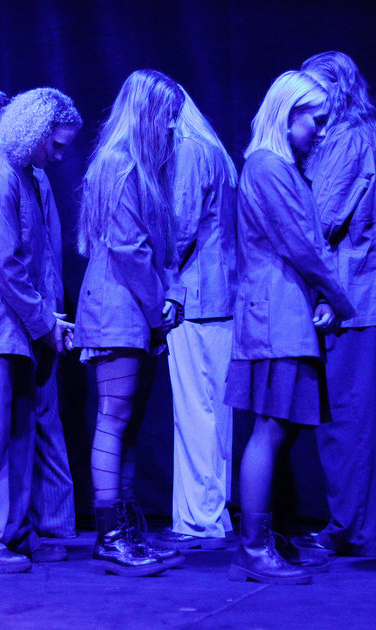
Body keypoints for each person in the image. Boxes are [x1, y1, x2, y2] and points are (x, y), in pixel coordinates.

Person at [225, 70, 354, 585]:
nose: (321, 132)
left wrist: (321, 297)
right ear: (287, 113)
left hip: (286, 311)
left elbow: (305, 242)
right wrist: (339, 299)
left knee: (284, 427)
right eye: (315, 121)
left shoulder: (281, 167)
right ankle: (253, 547)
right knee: (271, 427)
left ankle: (269, 537)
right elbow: (299, 243)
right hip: (273, 315)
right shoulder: (267, 165)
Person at [0, 87, 80, 573]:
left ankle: (15, 532)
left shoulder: (26, 174)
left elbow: (38, 260)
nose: (61, 154)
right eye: (57, 143)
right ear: (35, 131)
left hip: (17, 328)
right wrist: (46, 323)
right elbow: (6, 264)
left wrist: (47, 321)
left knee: (21, 436)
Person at [75, 69, 186, 576]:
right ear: (145, 113)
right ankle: (110, 535)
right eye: (167, 116)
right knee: (114, 418)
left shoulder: (143, 168)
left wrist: (170, 297)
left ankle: (127, 527)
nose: (172, 127)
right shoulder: (117, 164)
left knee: (130, 424)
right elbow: (128, 249)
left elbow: (162, 248)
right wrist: (158, 305)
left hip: (136, 309)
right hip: (117, 307)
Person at [293, 51, 376, 558]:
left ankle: (349, 529)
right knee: (353, 418)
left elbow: (321, 216)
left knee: (344, 419)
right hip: (355, 295)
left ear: (336, 90)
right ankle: (358, 529)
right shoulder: (360, 135)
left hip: (347, 299)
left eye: (315, 90)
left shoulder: (347, 138)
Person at [154, 85, 238, 552]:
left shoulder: (189, 151)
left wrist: (161, 280)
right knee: (214, 413)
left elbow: (180, 228)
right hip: (221, 296)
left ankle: (198, 520)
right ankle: (213, 515)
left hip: (196, 298)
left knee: (196, 411)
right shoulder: (216, 153)